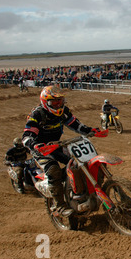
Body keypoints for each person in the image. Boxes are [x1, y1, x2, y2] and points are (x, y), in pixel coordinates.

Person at [22, 85, 97, 217]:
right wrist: (34, 144)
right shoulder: (38, 114)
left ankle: (81, 192)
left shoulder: (64, 111)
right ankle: (59, 206)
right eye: (54, 102)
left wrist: (90, 130)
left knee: (79, 162)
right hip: (41, 150)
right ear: (45, 102)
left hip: (56, 146)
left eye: (60, 101)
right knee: (53, 170)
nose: (58, 105)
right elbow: (27, 135)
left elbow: (75, 124)